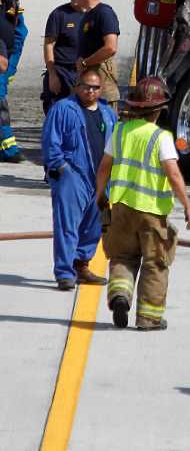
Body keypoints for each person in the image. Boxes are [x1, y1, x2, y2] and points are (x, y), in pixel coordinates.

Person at [95, 76, 190, 330]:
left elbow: (104, 168)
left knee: (122, 257)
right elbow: (172, 174)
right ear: (159, 109)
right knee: (155, 263)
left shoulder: (120, 131)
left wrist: (99, 196)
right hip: (151, 212)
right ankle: (148, 318)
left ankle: (120, 295)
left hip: (121, 209)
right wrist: (187, 205)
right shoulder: (161, 138)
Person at [41, 66, 117, 290]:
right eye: (86, 87)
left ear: (101, 89)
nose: (91, 91)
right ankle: (65, 272)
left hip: (100, 178)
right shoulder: (63, 109)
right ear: (78, 87)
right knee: (67, 226)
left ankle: (81, 265)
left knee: (94, 226)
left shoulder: (107, 113)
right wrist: (62, 169)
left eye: (95, 88)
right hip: (73, 176)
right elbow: (50, 143)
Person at [42, 0, 89, 114]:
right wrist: (52, 75)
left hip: (84, 73)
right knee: (57, 115)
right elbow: (48, 45)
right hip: (61, 72)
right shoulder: (59, 14)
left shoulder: (94, 15)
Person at [74, 0, 120, 112]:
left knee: (104, 126)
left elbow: (110, 47)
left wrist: (85, 63)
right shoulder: (87, 15)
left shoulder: (104, 13)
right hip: (87, 83)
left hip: (102, 84)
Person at [0, 0, 28, 162]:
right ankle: (9, 149)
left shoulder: (11, 5)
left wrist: (11, 66)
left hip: (5, 63)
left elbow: (20, 34)